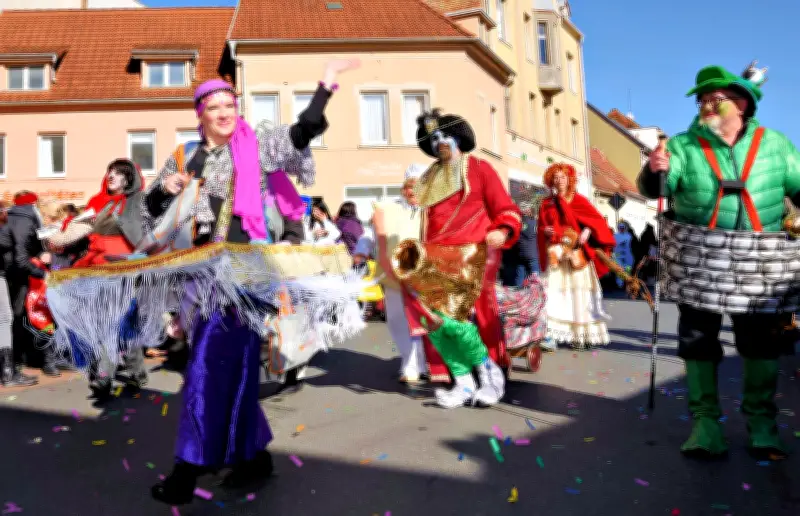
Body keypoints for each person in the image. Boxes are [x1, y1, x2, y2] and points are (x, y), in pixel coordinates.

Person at [143, 59, 359, 505]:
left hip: (244, 279)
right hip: (201, 277)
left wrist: (326, 85)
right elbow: (151, 209)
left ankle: (187, 470)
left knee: (205, 367)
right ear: (200, 114)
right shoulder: (186, 156)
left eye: (230, 105)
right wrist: (166, 189)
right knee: (235, 371)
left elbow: (302, 131)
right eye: (214, 107)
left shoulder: (256, 146)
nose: (224, 113)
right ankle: (253, 458)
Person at [637, 63, 800, 460]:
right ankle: (705, 426)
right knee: (698, 341)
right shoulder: (681, 146)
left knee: (760, 344)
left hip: (759, 261)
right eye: (702, 100)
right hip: (699, 258)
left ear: (742, 104)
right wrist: (654, 171)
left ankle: (762, 425)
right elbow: (656, 189)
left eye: (717, 99)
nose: (707, 106)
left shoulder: (776, 144)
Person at [400, 109, 522, 408]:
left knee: (469, 318)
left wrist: (503, 230)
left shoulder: (480, 168)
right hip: (435, 259)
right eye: (433, 139)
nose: (439, 142)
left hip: (473, 254)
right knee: (434, 321)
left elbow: (505, 208)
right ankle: (463, 380)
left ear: (457, 138)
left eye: (444, 135)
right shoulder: (428, 178)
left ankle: (491, 375)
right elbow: (422, 222)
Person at [537, 163, 616, 350]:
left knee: (580, 296)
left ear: (569, 179)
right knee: (553, 294)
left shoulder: (579, 200)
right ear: (550, 180)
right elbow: (541, 226)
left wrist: (587, 231)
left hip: (576, 255)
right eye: (555, 177)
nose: (559, 181)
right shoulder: (546, 203)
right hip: (557, 256)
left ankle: (582, 336)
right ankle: (550, 335)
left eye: (563, 177)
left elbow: (596, 221)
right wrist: (545, 230)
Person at [372, 164, 427, 384]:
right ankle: (411, 360)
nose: (413, 192)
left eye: (419, 186)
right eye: (410, 187)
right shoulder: (387, 208)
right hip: (392, 274)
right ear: (404, 188)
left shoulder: (430, 211)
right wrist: (363, 252)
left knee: (419, 319)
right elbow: (376, 238)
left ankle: (417, 364)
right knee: (397, 319)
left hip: (421, 274)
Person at [613, 220, 635, 289]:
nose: (621, 229)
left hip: (628, 256)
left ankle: (626, 283)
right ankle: (620, 284)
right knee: (619, 270)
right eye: (620, 227)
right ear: (618, 228)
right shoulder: (615, 236)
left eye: (623, 227)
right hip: (618, 255)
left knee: (627, 269)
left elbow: (632, 245)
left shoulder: (629, 236)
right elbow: (613, 245)